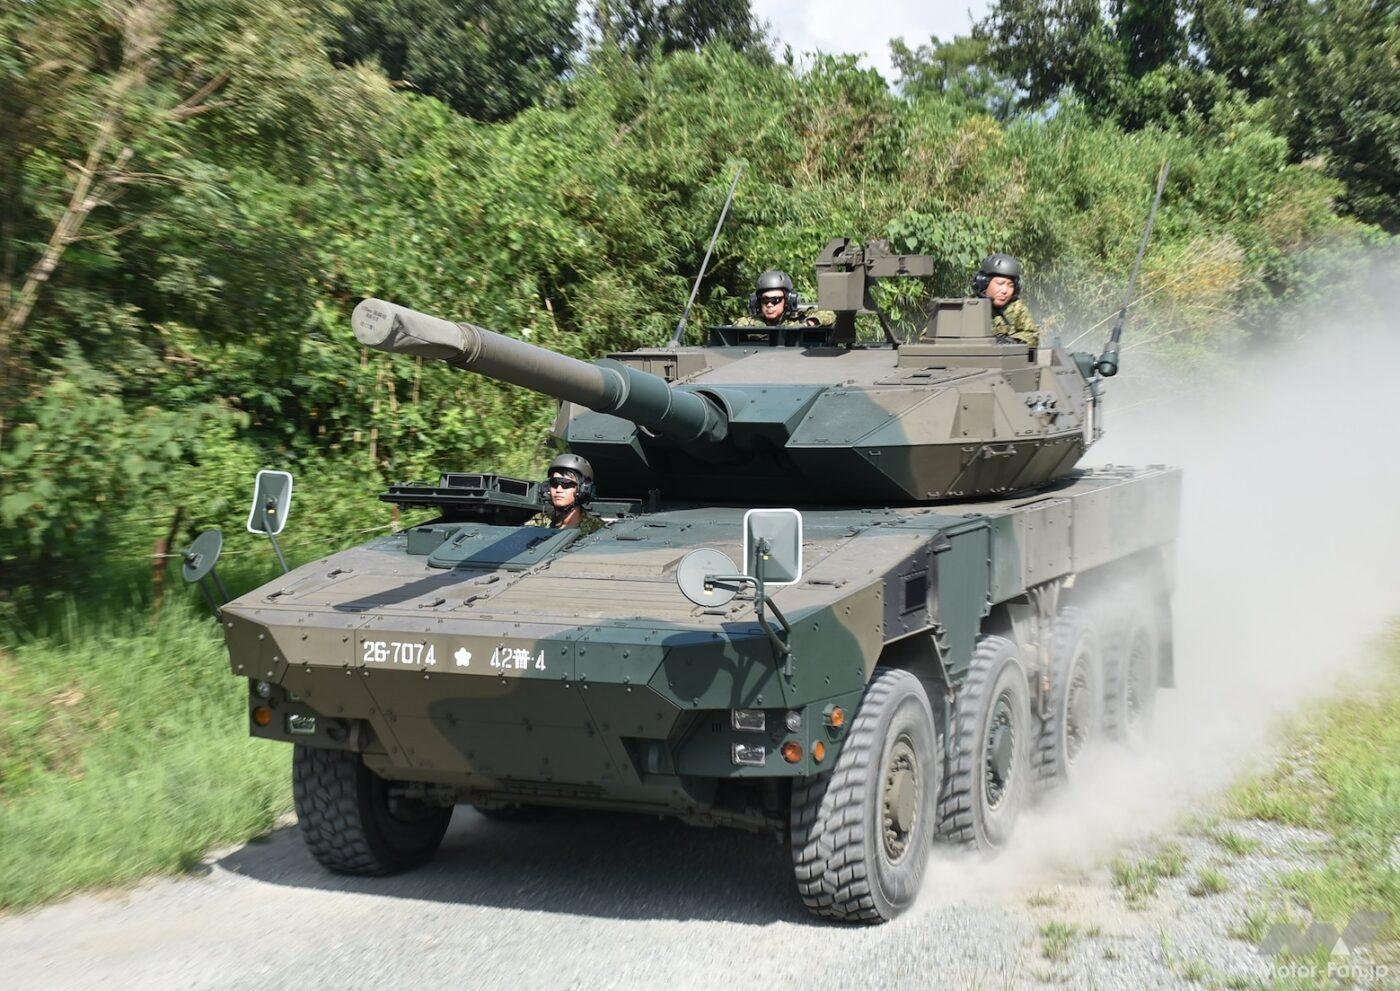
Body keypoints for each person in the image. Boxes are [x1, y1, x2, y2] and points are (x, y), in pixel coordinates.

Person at [974, 253, 1040, 346]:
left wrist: (1011, 341)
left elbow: (1032, 334)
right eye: (1000, 283)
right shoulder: (971, 307)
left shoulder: (1017, 308)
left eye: (1010, 285)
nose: (1005, 290)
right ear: (983, 283)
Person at [733, 270, 836, 329]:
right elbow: (736, 327)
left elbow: (828, 314)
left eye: (775, 300)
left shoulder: (798, 318)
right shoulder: (752, 322)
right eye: (765, 300)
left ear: (788, 300)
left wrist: (807, 324)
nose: (769, 305)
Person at [530, 453, 603, 535]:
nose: (558, 490)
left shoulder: (597, 529)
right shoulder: (539, 522)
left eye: (567, 484)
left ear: (583, 489)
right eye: (554, 483)